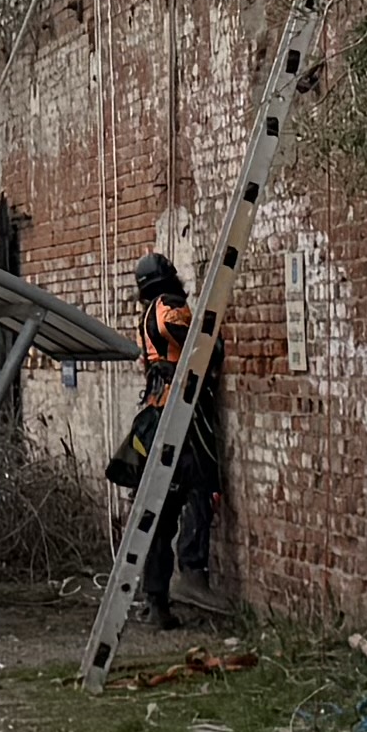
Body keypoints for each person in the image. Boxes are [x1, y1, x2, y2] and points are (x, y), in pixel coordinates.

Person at [112, 248, 231, 626]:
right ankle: (192, 573)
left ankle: (156, 600)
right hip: (178, 413)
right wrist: (209, 347)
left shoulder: (147, 310)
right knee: (200, 486)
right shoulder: (169, 305)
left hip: (155, 413)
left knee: (159, 508)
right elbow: (188, 336)